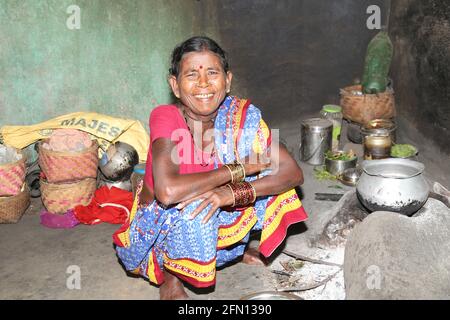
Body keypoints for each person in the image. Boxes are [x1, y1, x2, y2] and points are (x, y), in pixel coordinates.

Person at [114, 36, 308, 300]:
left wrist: (232, 193)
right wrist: (237, 170)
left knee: (275, 186)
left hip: (216, 201)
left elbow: (292, 172)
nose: (203, 83)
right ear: (176, 85)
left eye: (212, 73)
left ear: (227, 81)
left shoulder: (239, 117)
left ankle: (231, 250)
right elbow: (168, 192)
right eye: (192, 74)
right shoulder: (166, 116)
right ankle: (171, 276)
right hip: (163, 225)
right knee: (194, 206)